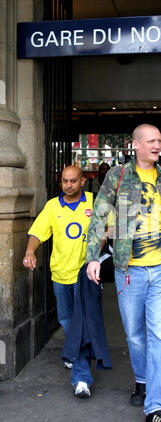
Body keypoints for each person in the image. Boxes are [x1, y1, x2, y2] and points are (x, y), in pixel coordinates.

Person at [86, 123, 161, 422]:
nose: (157, 145)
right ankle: (141, 379)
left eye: (159, 141)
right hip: (128, 270)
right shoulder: (117, 176)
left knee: (159, 337)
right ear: (136, 144)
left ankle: (156, 408)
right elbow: (100, 214)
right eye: (151, 141)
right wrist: (91, 256)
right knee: (134, 336)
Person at [22, 165, 97, 397]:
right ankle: (74, 350)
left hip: (85, 275)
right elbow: (37, 232)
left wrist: (98, 249)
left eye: (73, 181)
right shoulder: (53, 206)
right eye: (64, 181)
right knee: (66, 318)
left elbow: (109, 228)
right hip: (60, 274)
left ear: (83, 181)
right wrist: (29, 251)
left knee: (79, 323)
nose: (68, 185)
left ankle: (81, 377)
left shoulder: (95, 202)